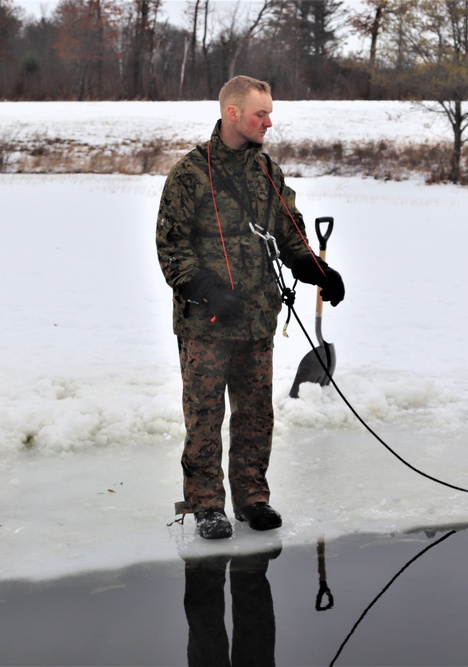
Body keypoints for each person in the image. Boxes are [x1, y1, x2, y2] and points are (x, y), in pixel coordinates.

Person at [157, 75, 345, 539]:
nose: (269, 122)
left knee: (256, 413)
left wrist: (314, 268)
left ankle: (252, 498)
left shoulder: (268, 173)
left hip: (258, 318)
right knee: (204, 415)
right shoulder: (189, 174)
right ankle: (206, 505)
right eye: (261, 113)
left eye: (270, 112)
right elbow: (171, 248)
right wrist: (208, 289)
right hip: (207, 322)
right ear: (232, 113)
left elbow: (290, 230)